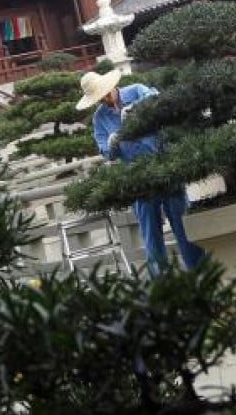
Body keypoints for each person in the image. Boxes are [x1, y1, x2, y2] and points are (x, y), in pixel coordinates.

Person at [76, 69, 205, 274]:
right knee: (150, 234)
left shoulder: (137, 91)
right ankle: (161, 285)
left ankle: (202, 272)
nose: (105, 100)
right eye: (99, 99)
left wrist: (138, 108)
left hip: (165, 167)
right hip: (137, 178)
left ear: (111, 87)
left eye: (105, 95)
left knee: (183, 225)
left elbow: (159, 101)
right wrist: (112, 143)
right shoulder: (99, 118)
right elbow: (106, 153)